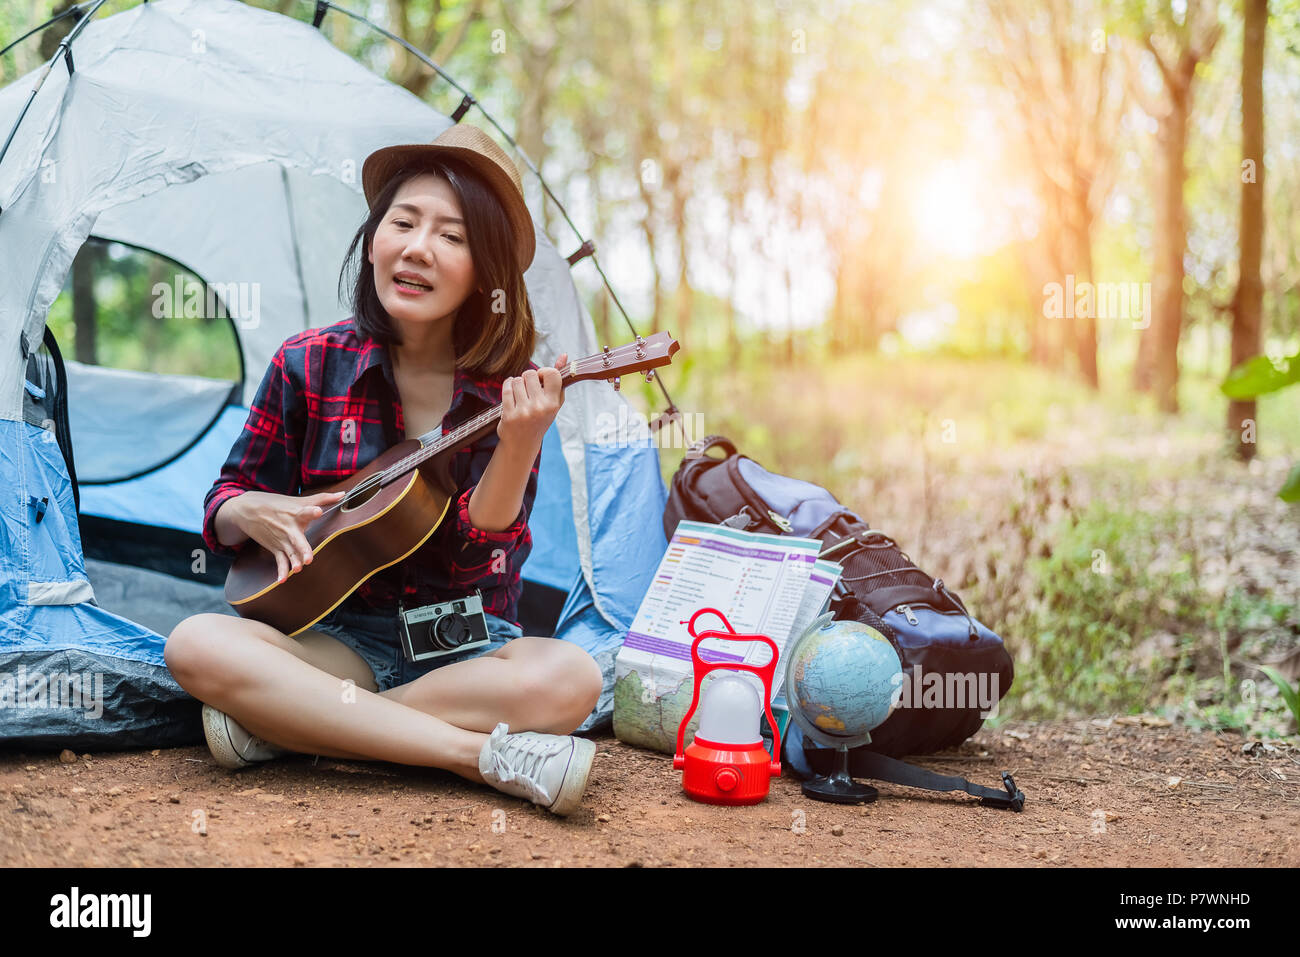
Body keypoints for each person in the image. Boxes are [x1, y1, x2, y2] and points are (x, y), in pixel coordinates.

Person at [164, 124, 602, 817]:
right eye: (403, 222)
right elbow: (225, 498)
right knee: (196, 643)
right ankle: (476, 754)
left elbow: (478, 562)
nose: (418, 248)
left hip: (465, 649)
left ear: (484, 271)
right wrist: (246, 511)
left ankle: (301, 726)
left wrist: (518, 445)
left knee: (573, 676)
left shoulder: (510, 393)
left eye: (452, 236)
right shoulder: (306, 363)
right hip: (339, 641)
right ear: (374, 240)